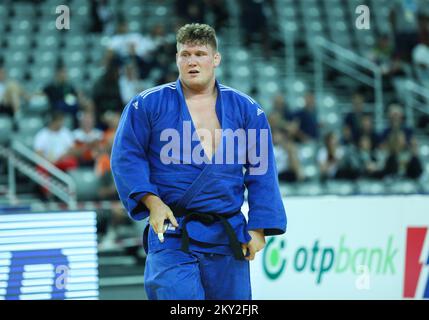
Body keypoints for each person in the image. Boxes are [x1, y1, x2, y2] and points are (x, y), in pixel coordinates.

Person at [111, 23, 286, 300]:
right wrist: (151, 202)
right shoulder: (147, 104)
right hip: (172, 233)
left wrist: (258, 227)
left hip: (226, 235)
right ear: (176, 58)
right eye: (185, 54)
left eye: (200, 54)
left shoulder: (246, 109)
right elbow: (126, 158)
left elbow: (262, 170)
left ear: (215, 59)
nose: (192, 61)